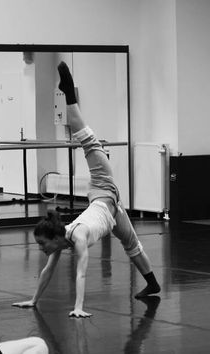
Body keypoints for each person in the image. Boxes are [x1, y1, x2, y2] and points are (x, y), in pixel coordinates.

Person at [12, 61, 160, 318]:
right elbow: (48, 271)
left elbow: (81, 272)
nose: (41, 249)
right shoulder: (63, 237)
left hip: (104, 189)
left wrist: (78, 307)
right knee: (132, 245)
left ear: (56, 239)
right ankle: (153, 283)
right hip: (111, 209)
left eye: (42, 244)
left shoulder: (76, 237)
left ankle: (69, 92)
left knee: (88, 142)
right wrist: (33, 301)